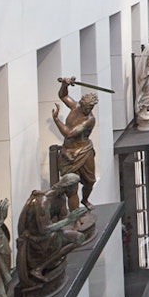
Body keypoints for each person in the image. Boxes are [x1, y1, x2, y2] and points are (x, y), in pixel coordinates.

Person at [52, 77, 97, 209]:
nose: (88, 110)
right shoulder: (76, 107)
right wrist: (65, 85)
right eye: (86, 107)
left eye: (90, 108)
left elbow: (69, 133)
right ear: (81, 104)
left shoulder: (89, 120)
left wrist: (56, 120)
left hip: (84, 151)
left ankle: (85, 200)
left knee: (90, 182)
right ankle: (75, 217)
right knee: (72, 187)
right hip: (68, 152)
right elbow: (63, 95)